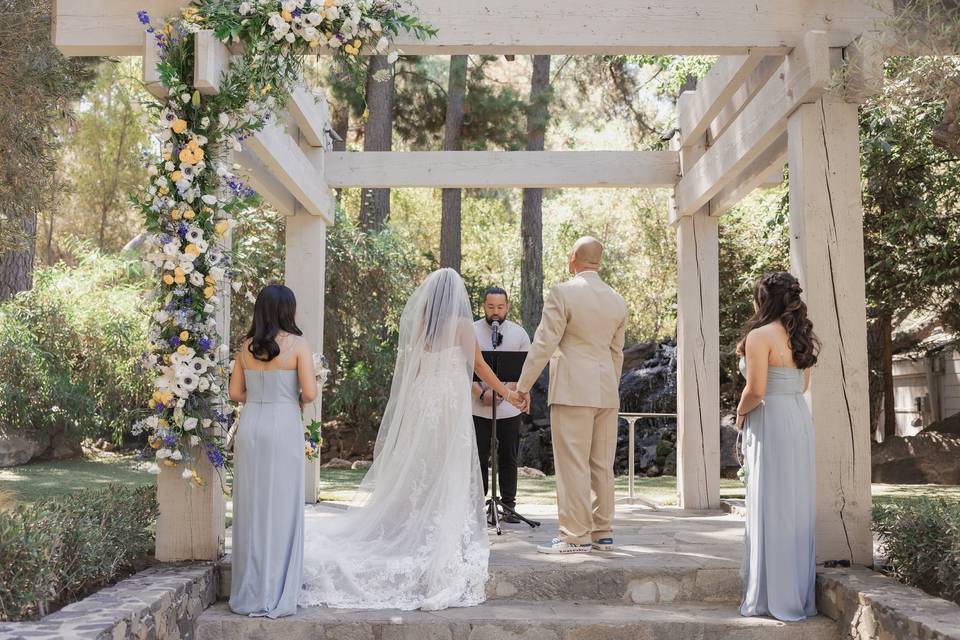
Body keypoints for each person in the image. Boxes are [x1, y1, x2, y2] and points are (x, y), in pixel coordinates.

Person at [300, 268, 526, 611]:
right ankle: (437, 532)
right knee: (447, 466)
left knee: (421, 464)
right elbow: (479, 367)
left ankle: (414, 525)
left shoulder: (423, 324)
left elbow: (414, 371)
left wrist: (408, 413)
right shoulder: (464, 327)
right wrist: (509, 396)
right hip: (449, 404)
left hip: (425, 401)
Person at [516, 236, 627, 554]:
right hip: (606, 391)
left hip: (572, 390)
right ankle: (602, 532)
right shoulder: (616, 299)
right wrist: (609, 387)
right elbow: (616, 353)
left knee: (573, 464)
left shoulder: (562, 292)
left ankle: (574, 536)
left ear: (573, 257)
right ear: (599, 261)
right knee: (602, 464)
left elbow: (544, 342)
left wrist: (522, 387)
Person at [228, 284, 318, 618]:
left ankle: (251, 588)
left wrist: (261, 395)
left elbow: (236, 392)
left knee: (252, 504)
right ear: (287, 311)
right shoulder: (297, 345)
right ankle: (279, 587)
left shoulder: (245, 347)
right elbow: (308, 394)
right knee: (282, 504)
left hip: (252, 427)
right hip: (283, 425)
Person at [736, 271, 819, 622]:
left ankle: (771, 596)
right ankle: (793, 593)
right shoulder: (801, 336)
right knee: (793, 504)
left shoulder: (759, 336)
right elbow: (800, 387)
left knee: (772, 502)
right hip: (797, 419)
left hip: (769, 419)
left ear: (763, 298)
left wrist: (739, 417)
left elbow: (755, 390)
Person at [471, 286, 531, 523]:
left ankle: (508, 505)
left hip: (509, 407)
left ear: (507, 307)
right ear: (483, 306)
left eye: (500, 307)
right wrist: (480, 394)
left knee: (509, 455)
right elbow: (465, 369)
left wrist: (507, 393)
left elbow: (526, 370)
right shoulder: (472, 331)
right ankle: (477, 504)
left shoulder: (519, 334)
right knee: (478, 456)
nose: (495, 312)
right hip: (477, 406)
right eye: (491, 307)